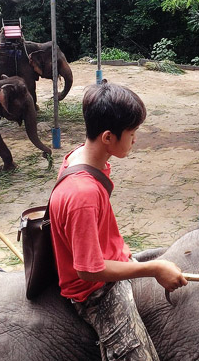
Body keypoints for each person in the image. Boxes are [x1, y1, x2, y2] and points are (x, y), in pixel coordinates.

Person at [49, 82, 187, 360]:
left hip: (110, 256)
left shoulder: (80, 156)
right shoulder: (83, 193)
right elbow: (89, 271)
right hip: (94, 291)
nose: (135, 139)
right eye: (132, 133)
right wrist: (154, 269)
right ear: (108, 137)